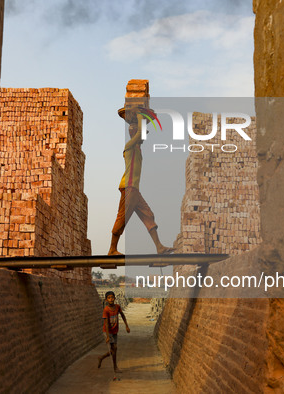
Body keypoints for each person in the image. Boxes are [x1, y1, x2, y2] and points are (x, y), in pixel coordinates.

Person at [108, 102, 175, 256]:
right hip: (129, 187)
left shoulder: (137, 148)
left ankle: (159, 247)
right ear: (134, 133)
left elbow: (141, 134)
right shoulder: (130, 145)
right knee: (122, 218)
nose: (145, 135)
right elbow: (138, 135)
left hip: (134, 189)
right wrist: (139, 114)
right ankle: (112, 249)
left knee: (148, 215)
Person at [98, 291, 130, 372]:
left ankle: (101, 357)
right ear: (106, 300)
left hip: (115, 330)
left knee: (113, 350)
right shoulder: (106, 310)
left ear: (114, 298)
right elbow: (106, 324)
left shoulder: (117, 307)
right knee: (114, 348)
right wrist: (108, 336)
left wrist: (126, 325)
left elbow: (122, 315)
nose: (111, 299)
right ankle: (115, 367)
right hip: (108, 331)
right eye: (109, 298)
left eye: (112, 297)